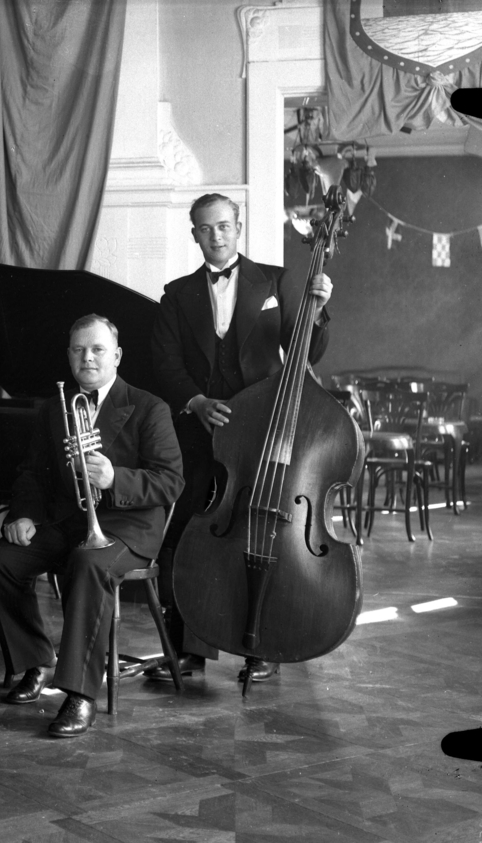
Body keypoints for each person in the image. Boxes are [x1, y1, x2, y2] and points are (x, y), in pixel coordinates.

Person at [150, 193, 333, 685]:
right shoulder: (176, 294)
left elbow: (306, 351)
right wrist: (196, 402)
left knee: (267, 533)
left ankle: (263, 646)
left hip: (263, 430)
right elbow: (164, 363)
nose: (216, 235)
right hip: (202, 434)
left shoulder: (277, 281)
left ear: (238, 227)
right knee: (191, 533)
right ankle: (189, 650)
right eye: (206, 228)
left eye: (224, 226)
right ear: (194, 234)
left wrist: (317, 310)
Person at [0, 315, 183, 738]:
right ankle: (37, 660)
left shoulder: (150, 407)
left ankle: (80, 693)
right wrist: (23, 515)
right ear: (69, 355)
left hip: (128, 527)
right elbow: (32, 472)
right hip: (70, 521)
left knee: (89, 564)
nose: (87, 357)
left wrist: (115, 478)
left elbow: (170, 481)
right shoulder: (56, 407)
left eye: (97, 349)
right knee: (0, 560)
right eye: (78, 349)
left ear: (117, 356)